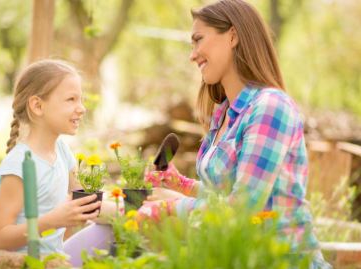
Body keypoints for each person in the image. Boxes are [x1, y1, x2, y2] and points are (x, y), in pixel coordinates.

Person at [138, 1, 332, 268]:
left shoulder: (270, 108)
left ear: (232, 36)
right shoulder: (225, 114)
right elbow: (227, 196)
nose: (192, 55)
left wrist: (170, 207)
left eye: (198, 40)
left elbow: (241, 211)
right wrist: (181, 184)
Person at [0, 59, 102, 254]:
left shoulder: (62, 151)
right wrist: (51, 221)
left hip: (56, 259)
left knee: (110, 230)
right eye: (71, 99)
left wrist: (141, 205)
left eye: (81, 100)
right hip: (27, 263)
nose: (82, 108)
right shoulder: (19, 164)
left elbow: (87, 203)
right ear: (38, 106)